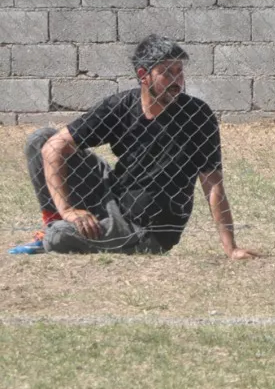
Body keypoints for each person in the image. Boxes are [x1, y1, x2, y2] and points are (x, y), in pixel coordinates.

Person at [10, 35, 256, 258]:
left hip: (141, 228)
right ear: (143, 75)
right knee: (42, 139)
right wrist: (66, 211)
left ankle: (57, 231)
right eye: (166, 73)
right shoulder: (122, 105)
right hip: (110, 193)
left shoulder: (197, 116)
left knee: (59, 237)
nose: (177, 81)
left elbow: (212, 183)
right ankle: (52, 223)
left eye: (179, 72)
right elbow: (54, 147)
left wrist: (231, 248)